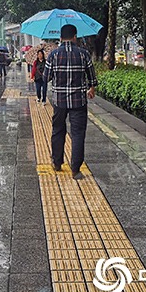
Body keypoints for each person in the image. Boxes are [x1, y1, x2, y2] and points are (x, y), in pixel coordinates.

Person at [43, 25, 97, 180]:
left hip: (59, 101)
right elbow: (91, 77)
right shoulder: (83, 54)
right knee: (78, 133)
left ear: (60, 38)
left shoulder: (53, 55)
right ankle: (75, 169)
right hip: (79, 101)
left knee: (58, 130)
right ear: (75, 37)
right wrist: (91, 88)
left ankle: (57, 162)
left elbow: (46, 77)